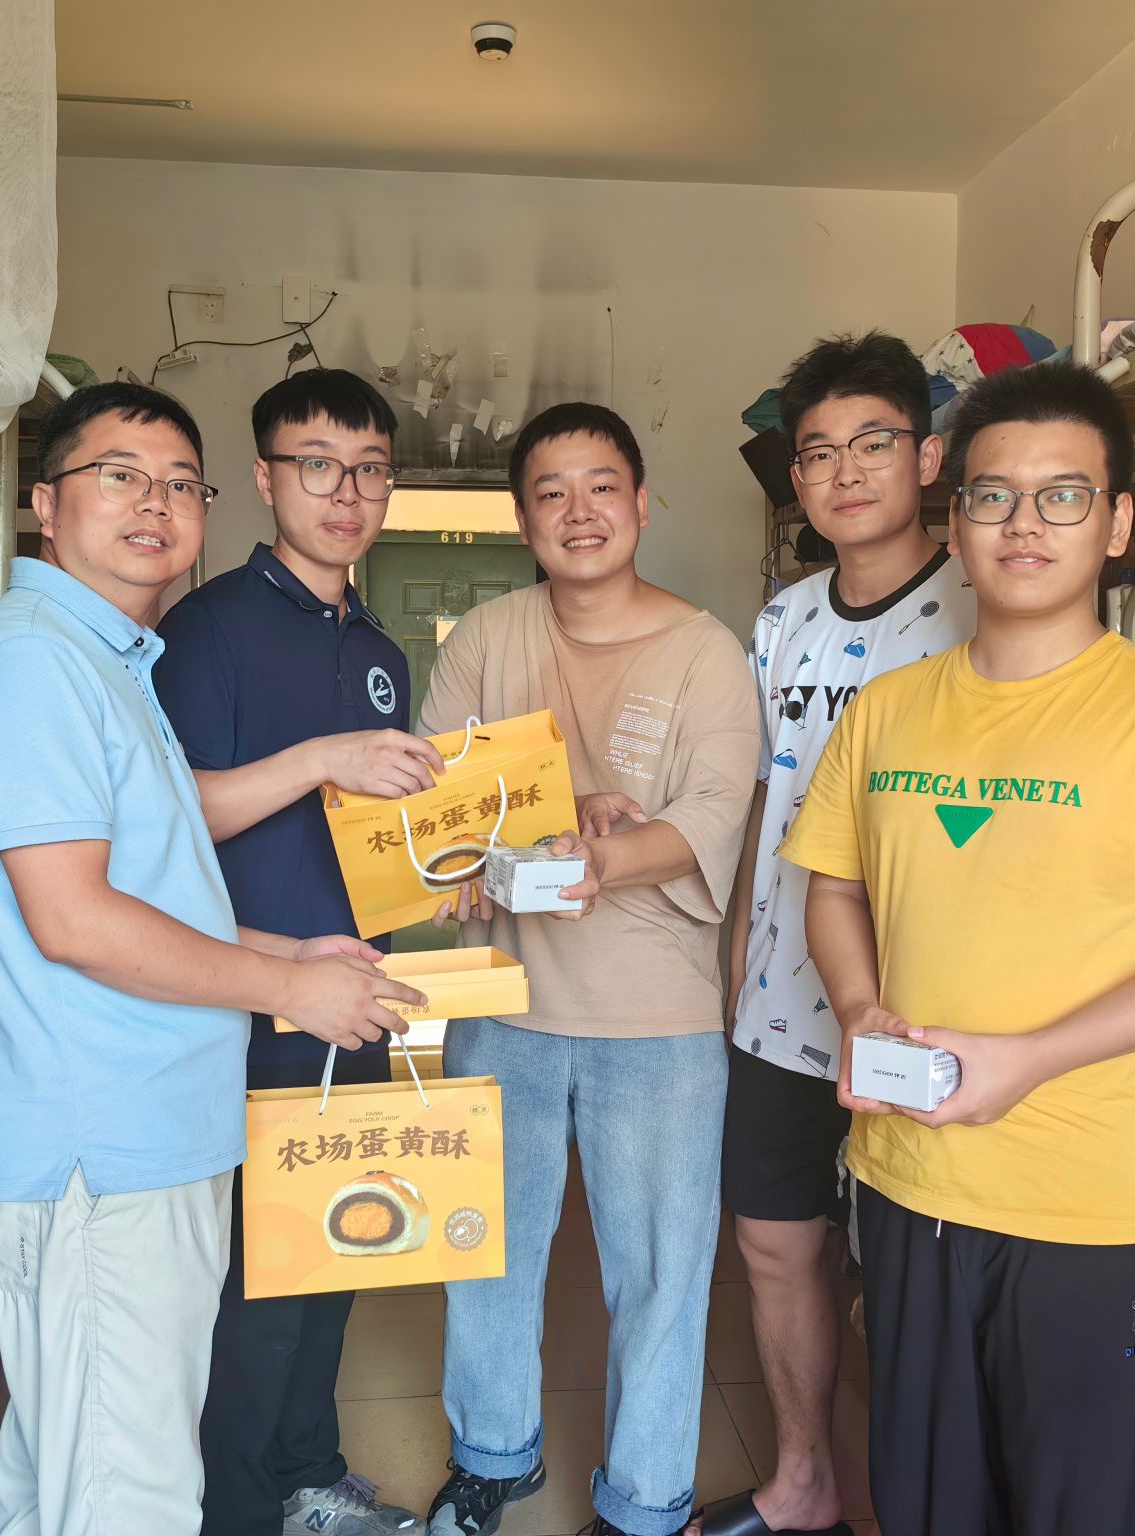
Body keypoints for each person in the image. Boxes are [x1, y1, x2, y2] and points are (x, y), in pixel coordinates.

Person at [781, 364, 1135, 1536]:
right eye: (991, 496)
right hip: (905, 1185)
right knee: (925, 1505)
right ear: (953, 520)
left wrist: (1030, 1059)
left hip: (1086, 1211)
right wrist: (856, 1009)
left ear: (1114, 524)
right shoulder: (886, 712)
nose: (1022, 523)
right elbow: (833, 889)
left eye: (1062, 496)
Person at [0, 381, 423, 1535]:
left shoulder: (107, 663)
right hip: (98, 1148)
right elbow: (75, 922)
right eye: (119, 477)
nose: (153, 504)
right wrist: (287, 983)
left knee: (84, 1476)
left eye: (176, 485)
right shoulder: (32, 665)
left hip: (142, 1138)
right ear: (47, 503)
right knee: (129, 1493)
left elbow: (149, 889)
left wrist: (292, 947)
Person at [415, 403, 760, 1536]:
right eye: (551, 492)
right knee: (484, 1250)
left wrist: (601, 857)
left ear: (641, 503)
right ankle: (491, 1454)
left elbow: (712, 813)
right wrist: (543, 823)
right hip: (503, 1003)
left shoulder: (706, 652)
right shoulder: (485, 637)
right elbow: (438, 803)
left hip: (657, 1018)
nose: (579, 512)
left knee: (661, 1272)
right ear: (523, 518)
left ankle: (645, 1499)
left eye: (601, 486)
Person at [153, 369, 438, 1536]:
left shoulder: (380, 648)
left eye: (369, 469)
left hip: (352, 998)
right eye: (317, 465)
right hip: (241, 1005)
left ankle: (309, 1473)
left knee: (336, 1258)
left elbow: (377, 838)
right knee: (256, 1292)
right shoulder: (206, 628)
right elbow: (171, 820)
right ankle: (237, 1510)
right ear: (265, 479)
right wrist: (323, 757)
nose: (345, 492)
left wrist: (458, 859)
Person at [704, 333, 974, 1536]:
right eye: (816, 453)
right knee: (775, 1245)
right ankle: (804, 1479)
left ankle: (930, 1500)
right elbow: (758, 801)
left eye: (872, 443)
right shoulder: (782, 622)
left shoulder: (979, 606)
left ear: (926, 457)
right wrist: (731, 961)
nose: (844, 472)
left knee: (917, 1268)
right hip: (779, 1002)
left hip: (924, 1005)